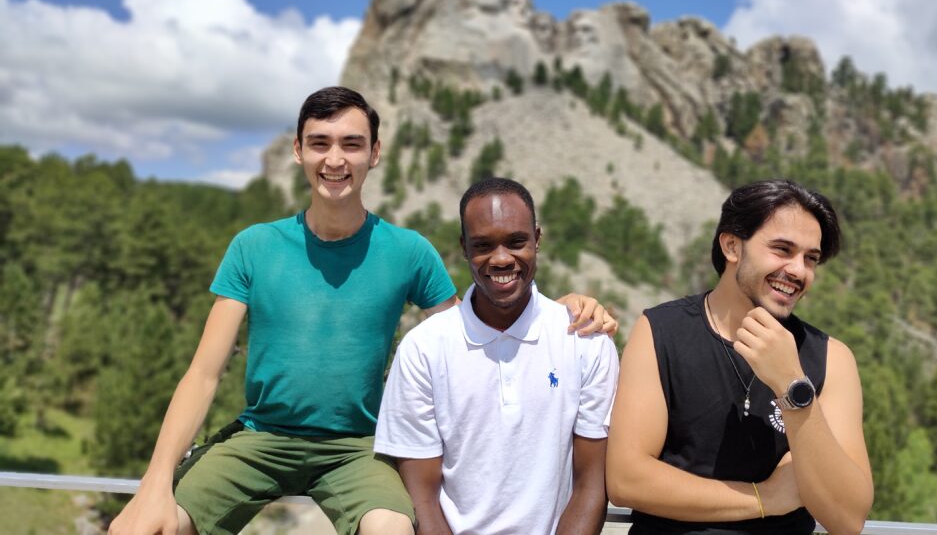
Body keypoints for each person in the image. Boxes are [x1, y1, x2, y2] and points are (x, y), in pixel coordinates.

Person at [110, 87, 615, 535]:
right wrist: (154, 484)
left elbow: (472, 325)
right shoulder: (254, 246)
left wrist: (561, 307)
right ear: (298, 151)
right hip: (260, 439)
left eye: (352, 144)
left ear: (375, 153)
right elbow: (202, 375)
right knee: (151, 527)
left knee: (392, 529)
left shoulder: (408, 251)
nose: (335, 159)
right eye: (320, 143)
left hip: (360, 448)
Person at [606, 179, 873, 535]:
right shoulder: (660, 331)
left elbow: (848, 517)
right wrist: (764, 498)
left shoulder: (831, 358)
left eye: (811, 258)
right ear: (732, 246)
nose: (798, 271)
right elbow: (627, 480)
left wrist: (792, 387)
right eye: (782, 249)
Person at [374, 177, 619, 535]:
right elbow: (421, 496)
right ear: (463, 247)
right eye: (483, 245)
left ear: (537, 239)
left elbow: (591, 485)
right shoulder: (423, 348)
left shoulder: (586, 341)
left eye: (516, 242)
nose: (501, 258)